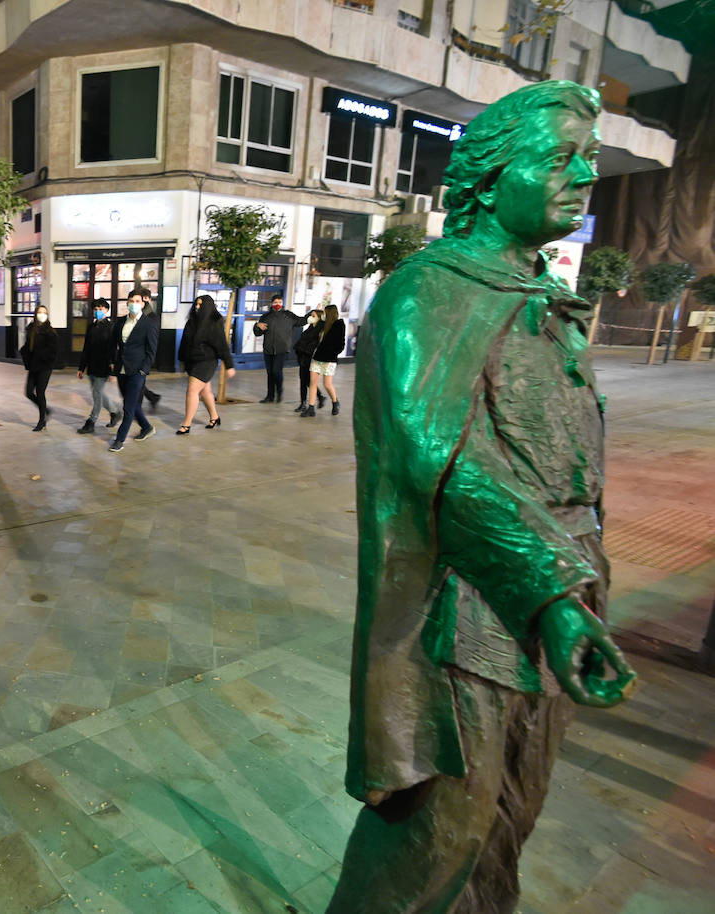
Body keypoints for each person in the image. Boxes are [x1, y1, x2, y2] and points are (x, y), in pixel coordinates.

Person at [328, 81, 636, 914]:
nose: (582, 178)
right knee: (444, 827)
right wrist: (553, 598)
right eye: (558, 158)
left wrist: (575, 586)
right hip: (467, 607)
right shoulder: (429, 291)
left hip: (555, 585)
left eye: (590, 160)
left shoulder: (539, 296)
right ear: (491, 176)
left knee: (512, 810)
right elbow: (437, 464)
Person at [107, 287, 159, 453]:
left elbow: (152, 351)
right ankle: (146, 427)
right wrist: (112, 363)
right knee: (132, 403)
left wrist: (144, 370)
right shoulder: (121, 321)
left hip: (138, 371)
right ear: (127, 303)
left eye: (137, 301)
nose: (134, 304)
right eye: (131, 301)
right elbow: (113, 345)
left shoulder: (148, 324)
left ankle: (119, 439)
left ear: (143, 304)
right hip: (122, 369)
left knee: (128, 406)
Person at [176, 294, 234, 433]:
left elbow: (222, 346)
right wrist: (182, 360)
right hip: (192, 361)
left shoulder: (214, 323)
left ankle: (186, 424)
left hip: (207, 361)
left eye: (200, 305)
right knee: (205, 391)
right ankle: (215, 417)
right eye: (196, 304)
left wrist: (229, 365)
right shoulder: (191, 322)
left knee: (192, 390)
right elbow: (184, 343)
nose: (197, 307)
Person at [76, 298, 120, 434]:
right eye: (95, 309)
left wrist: (113, 371)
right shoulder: (91, 327)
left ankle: (91, 422)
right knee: (98, 393)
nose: (98, 311)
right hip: (92, 366)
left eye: (101, 309)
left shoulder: (112, 327)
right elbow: (86, 349)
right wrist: (81, 368)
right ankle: (115, 412)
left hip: (104, 366)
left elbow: (114, 349)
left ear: (106, 310)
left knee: (96, 394)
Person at [253, 294, 302, 403]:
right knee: (270, 373)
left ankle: (279, 392)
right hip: (268, 349)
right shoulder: (266, 316)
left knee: (276, 371)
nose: (277, 304)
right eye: (275, 302)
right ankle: (270, 396)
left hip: (282, 349)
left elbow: (301, 321)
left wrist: (313, 314)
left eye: (280, 302)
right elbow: (258, 333)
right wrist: (256, 326)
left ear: (282, 303)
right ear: (271, 303)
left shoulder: (289, 315)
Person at [19, 303, 57, 431]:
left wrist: (42, 356)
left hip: (45, 366)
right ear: (35, 314)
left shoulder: (50, 332)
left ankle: (42, 420)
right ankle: (46, 410)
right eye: (40, 312)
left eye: (44, 313)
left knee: (40, 392)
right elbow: (28, 345)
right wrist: (24, 353)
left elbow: (54, 351)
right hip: (33, 365)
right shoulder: (31, 329)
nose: (42, 315)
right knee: (29, 392)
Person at [310, 304, 345, 416]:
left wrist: (333, 352)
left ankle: (335, 402)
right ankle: (311, 408)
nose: (323, 315)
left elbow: (341, 344)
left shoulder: (338, 325)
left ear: (329, 313)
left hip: (329, 359)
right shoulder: (322, 325)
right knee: (313, 383)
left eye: (324, 313)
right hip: (318, 357)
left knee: (327, 384)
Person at [292, 307, 324, 417]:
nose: (311, 318)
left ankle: (312, 400)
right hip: (303, 356)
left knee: (308, 381)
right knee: (303, 381)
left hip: (310, 358)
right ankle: (304, 403)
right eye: (311, 315)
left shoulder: (320, 330)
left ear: (319, 318)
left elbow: (315, 345)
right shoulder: (310, 327)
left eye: (313, 316)